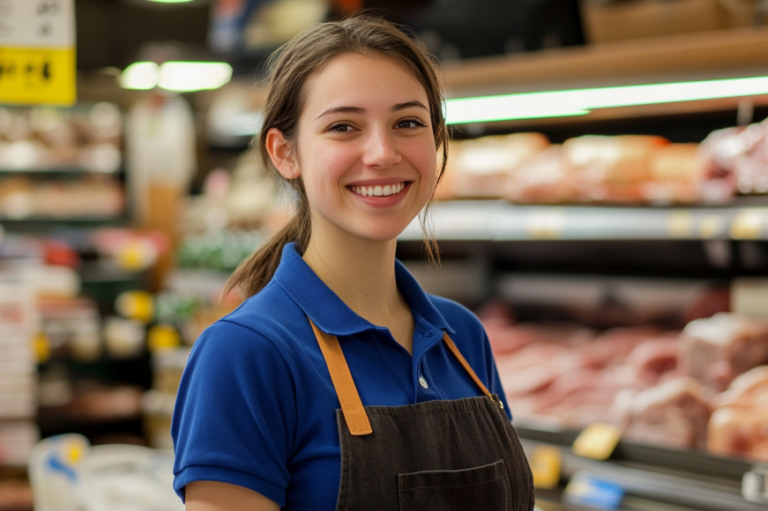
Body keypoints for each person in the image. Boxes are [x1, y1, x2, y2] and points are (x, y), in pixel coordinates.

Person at [171, 15, 534, 511]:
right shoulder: (245, 353)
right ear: (285, 153)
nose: (382, 153)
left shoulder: (462, 337)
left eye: (407, 123)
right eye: (344, 127)